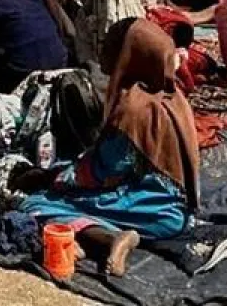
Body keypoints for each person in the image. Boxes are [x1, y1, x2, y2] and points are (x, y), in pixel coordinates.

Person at [13, 20, 200, 276]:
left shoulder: (134, 108)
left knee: (36, 204)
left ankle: (108, 238)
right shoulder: (172, 98)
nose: (102, 53)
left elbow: (103, 170)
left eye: (110, 47)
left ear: (130, 54)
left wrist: (51, 177)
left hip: (149, 211)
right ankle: (97, 238)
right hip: (174, 215)